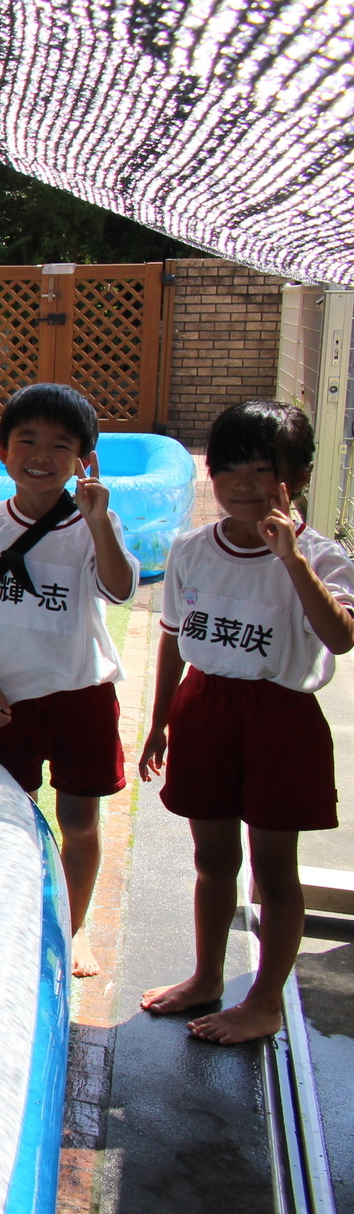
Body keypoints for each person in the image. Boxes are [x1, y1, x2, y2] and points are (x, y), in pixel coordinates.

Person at [139, 400, 354, 1044]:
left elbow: (340, 638)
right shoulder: (190, 550)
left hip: (281, 718)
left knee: (273, 867)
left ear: (299, 476)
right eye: (228, 468)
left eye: (262, 470)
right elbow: (174, 638)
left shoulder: (323, 555)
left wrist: (293, 560)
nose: (243, 485)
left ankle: (263, 1002)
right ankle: (207, 977)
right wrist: (160, 721)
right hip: (205, 707)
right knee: (211, 858)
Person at [0, 384, 137, 979]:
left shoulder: (91, 524)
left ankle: (73, 930)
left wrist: (99, 522)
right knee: (8, 814)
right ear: (3, 450)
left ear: (83, 459)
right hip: (13, 698)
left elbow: (120, 587)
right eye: (27, 440)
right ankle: (12, 916)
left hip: (82, 692)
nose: (42, 455)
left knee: (80, 821)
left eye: (62, 445)